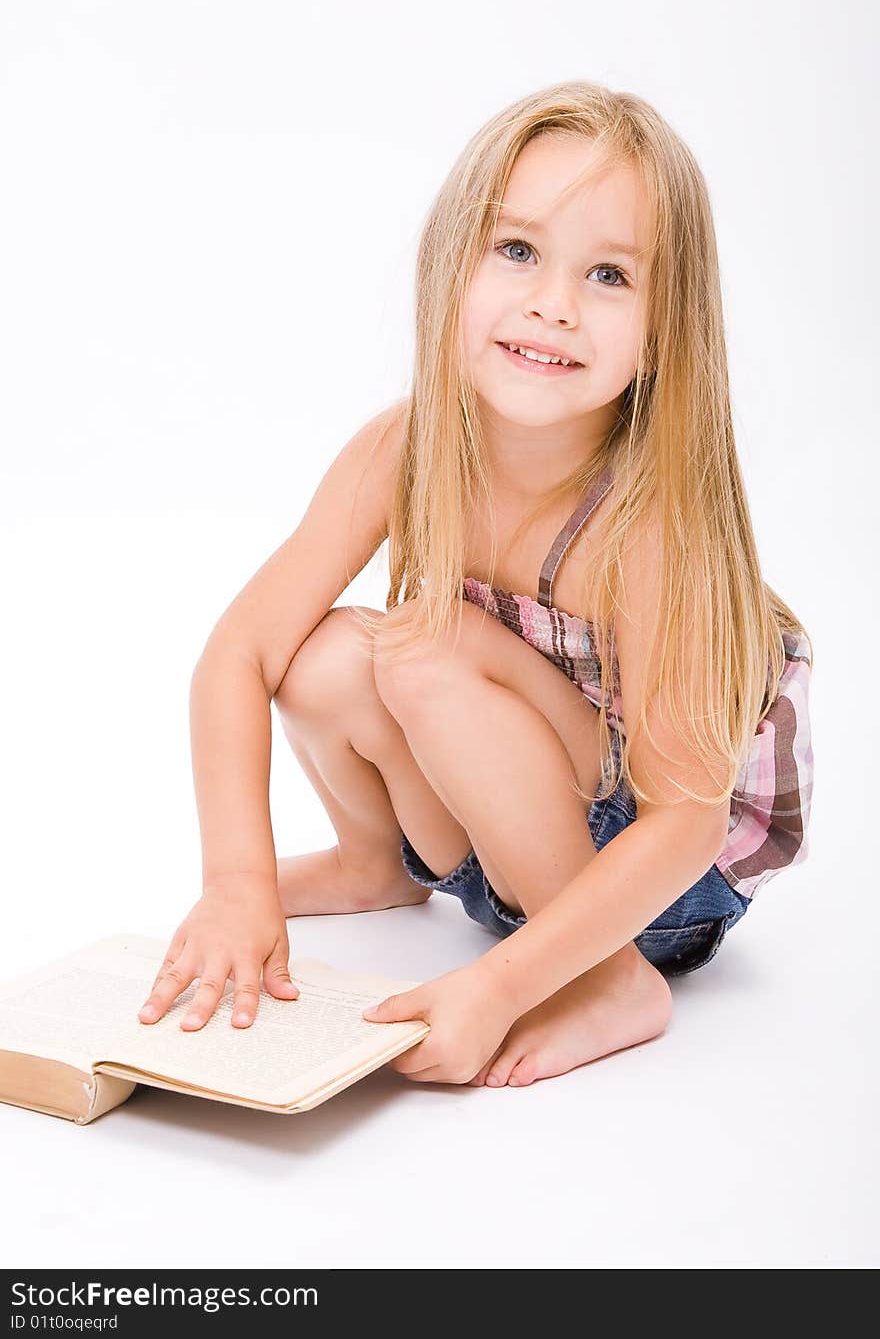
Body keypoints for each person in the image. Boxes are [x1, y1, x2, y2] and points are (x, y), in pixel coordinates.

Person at [138, 80, 814, 1090]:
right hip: (507, 840)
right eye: (517, 251)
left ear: (663, 330)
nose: (553, 302)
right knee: (325, 653)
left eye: (609, 274)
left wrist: (501, 986)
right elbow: (238, 654)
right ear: (448, 263)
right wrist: (235, 883)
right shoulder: (403, 446)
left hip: (657, 889)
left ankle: (608, 987)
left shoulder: (646, 523)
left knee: (422, 648)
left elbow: (685, 821)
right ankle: (378, 865)